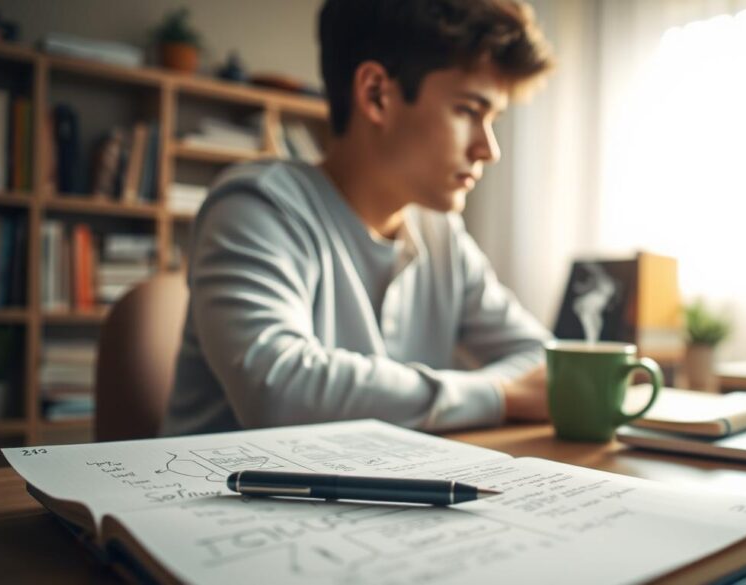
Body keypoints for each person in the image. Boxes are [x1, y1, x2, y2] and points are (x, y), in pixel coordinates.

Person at [161, 0, 555, 436]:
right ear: (375, 95)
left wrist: (487, 394)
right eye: (468, 111)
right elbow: (277, 390)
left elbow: (545, 361)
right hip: (219, 495)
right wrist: (497, 397)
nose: (489, 149)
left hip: (378, 491)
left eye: (493, 119)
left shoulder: (440, 232)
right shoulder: (256, 205)